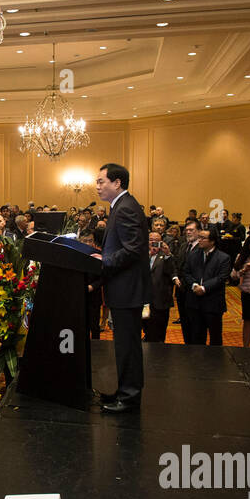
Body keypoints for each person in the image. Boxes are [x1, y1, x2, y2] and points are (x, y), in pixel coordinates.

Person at [94, 163, 150, 412]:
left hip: (127, 289)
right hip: (122, 287)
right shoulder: (121, 206)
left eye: (101, 181)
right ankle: (124, 391)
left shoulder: (126, 208)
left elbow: (133, 249)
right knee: (123, 344)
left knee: (127, 345)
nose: (97, 186)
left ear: (117, 183)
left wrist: (104, 261)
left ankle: (129, 397)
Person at [180, 229, 232, 345]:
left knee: (215, 337)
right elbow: (186, 272)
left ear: (212, 241)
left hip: (213, 302)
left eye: (203, 238)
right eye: (199, 237)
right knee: (197, 336)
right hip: (194, 302)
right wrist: (194, 285)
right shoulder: (193, 255)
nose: (200, 240)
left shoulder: (223, 258)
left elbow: (221, 277)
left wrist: (204, 288)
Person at [143, 232, 175, 343]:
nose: (153, 242)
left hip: (161, 299)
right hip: (144, 299)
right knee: (146, 329)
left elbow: (172, 271)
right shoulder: (141, 254)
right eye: (151, 239)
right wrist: (148, 256)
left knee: (160, 331)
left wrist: (167, 255)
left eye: (156, 240)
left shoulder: (166, 255)